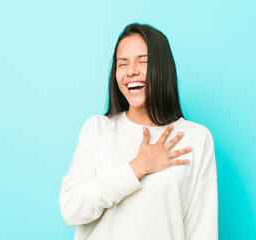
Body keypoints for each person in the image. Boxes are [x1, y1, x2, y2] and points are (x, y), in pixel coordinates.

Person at [59, 23, 218, 240]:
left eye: (143, 62)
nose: (132, 71)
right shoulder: (97, 129)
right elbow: (71, 209)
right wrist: (138, 167)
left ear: (163, 68)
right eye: (122, 64)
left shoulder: (196, 138)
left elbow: (202, 230)